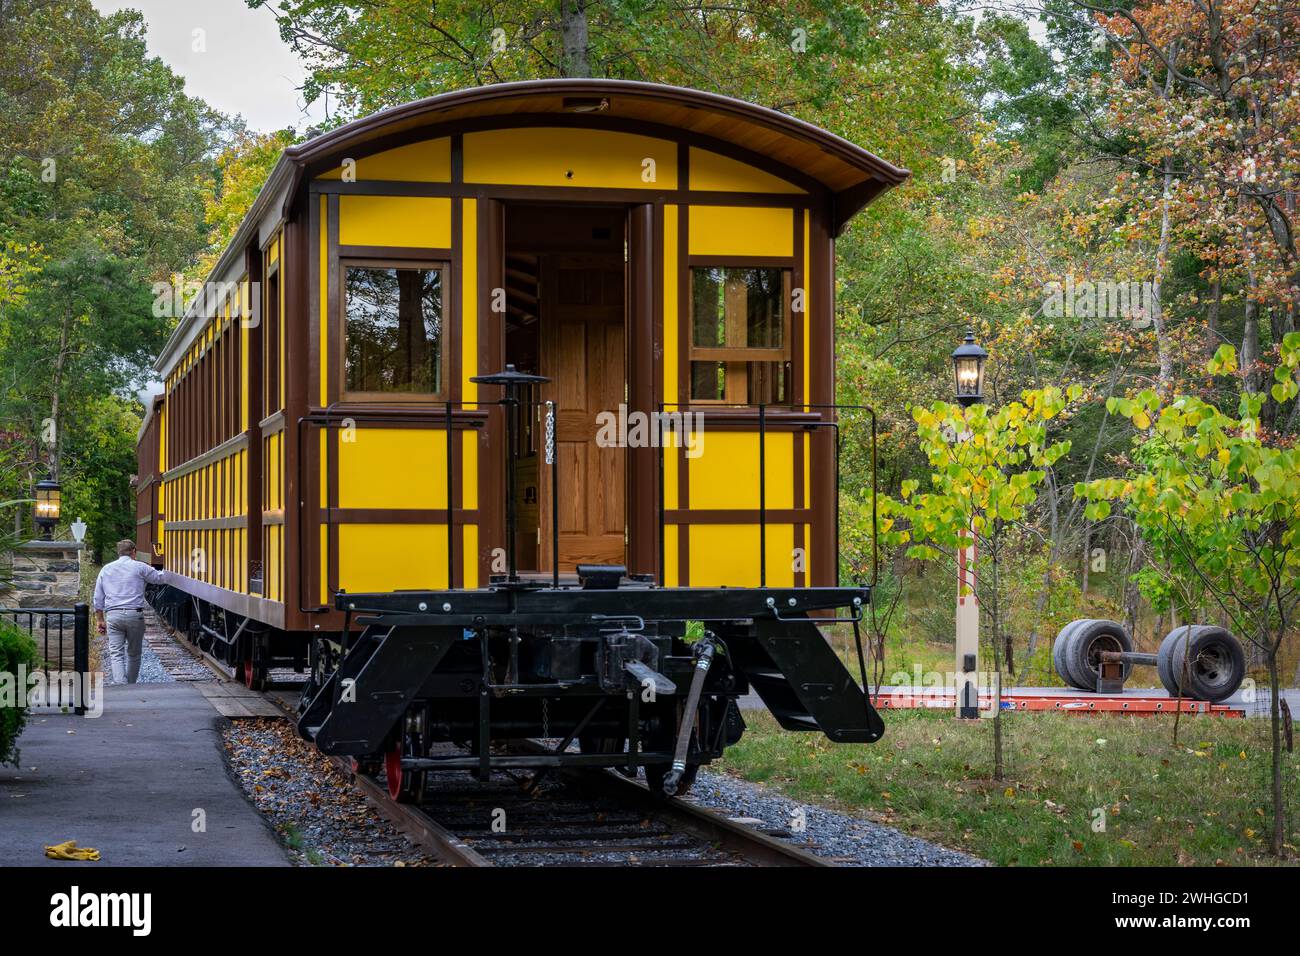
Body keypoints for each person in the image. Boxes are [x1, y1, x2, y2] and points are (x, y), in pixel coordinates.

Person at [92, 539, 166, 684]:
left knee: (116, 653)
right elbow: (160, 578)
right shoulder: (140, 567)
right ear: (134, 552)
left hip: (113, 615)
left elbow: (98, 598)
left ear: (118, 553)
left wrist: (100, 620)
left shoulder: (106, 569)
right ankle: (131, 685)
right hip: (135, 615)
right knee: (134, 654)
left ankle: (120, 685)